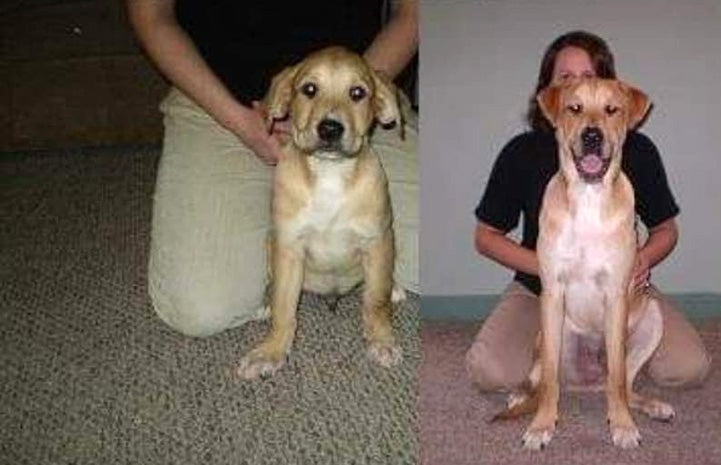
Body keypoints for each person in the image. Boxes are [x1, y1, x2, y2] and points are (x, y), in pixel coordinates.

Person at [126, 0, 419, 336]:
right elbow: (151, 17)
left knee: (438, 263)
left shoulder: (363, 97)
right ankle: (276, 242)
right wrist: (240, 122)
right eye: (308, 90)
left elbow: (413, 13)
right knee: (202, 309)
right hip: (217, 96)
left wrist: (358, 94)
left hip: (363, 93)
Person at [465, 30, 710, 391]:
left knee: (688, 368)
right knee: (491, 373)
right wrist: (552, 270)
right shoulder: (521, 152)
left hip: (620, 288)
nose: (581, 92)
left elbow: (666, 229)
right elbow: (485, 237)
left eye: (590, 78)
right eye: (566, 79)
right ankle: (568, 361)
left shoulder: (638, 151)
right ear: (550, 95)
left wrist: (641, 259)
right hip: (540, 289)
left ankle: (609, 368)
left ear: (609, 89)